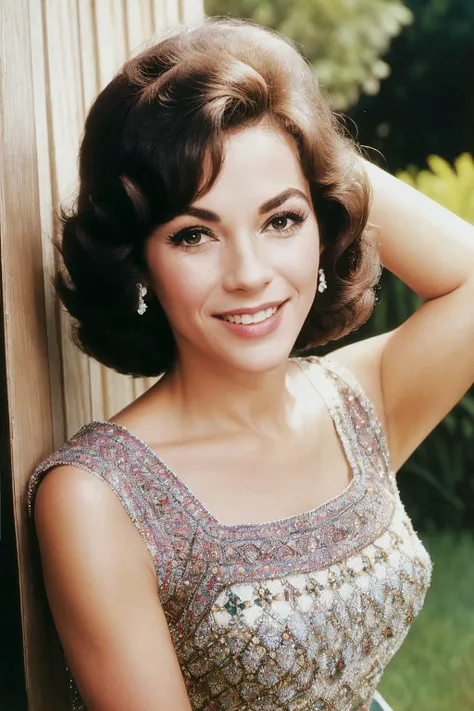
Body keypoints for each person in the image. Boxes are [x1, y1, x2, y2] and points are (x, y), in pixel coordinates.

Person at [27, 17, 474, 711]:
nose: (249, 273)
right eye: (195, 233)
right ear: (140, 260)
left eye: (282, 220)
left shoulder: (362, 401)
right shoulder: (98, 497)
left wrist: (306, 146)